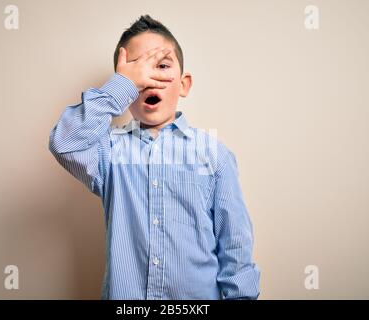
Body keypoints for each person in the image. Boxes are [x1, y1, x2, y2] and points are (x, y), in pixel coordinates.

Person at [49, 14, 260, 300]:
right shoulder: (109, 151)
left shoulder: (214, 154)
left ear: (183, 84)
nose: (149, 79)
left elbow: (235, 248)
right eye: (137, 71)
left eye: (161, 66)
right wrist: (121, 86)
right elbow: (65, 142)